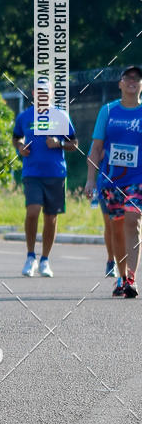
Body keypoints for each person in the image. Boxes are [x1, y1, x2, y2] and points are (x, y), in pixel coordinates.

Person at [85, 66, 142, 298]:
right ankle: (120, 277)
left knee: (132, 220)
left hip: (138, 180)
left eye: (137, 79)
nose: (132, 81)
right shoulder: (107, 111)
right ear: (119, 84)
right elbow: (96, 148)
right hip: (110, 180)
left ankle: (131, 277)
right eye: (127, 78)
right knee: (116, 229)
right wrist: (90, 180)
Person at [13, 81, 77, 278]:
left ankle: (45, 260)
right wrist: (20, 147)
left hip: (56, 173)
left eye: (45, 91)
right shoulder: (24, 116)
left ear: (51, 94)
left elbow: (74, 143)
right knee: (33, 211)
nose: (41, 94)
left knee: (51, 217)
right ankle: (30, 256)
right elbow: (16, 137)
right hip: (32, 172)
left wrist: (58, 143)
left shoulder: (61, 115)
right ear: (33, 93)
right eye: (38, 91)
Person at [87, 141, 117, 278]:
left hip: (131, 183)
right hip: (106, 184)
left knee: (130, 225)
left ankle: (126, 267)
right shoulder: (105, 131)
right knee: (111, 225)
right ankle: (111, 260)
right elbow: (92, 156)